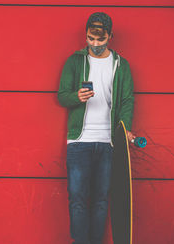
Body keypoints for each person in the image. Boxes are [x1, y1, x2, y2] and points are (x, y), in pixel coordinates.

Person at [58, 12, 135, 244]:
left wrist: (125, 129)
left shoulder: (121, 65)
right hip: (79, 141)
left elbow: (127, 101)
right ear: (86, 35)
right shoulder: (74, 61)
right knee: (78, 198)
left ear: (110, 36)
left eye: (100, 40)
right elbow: (62, 96)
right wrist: (76, 97)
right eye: (91, 38)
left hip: (109, 142)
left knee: (102, 199)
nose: (95, 44)